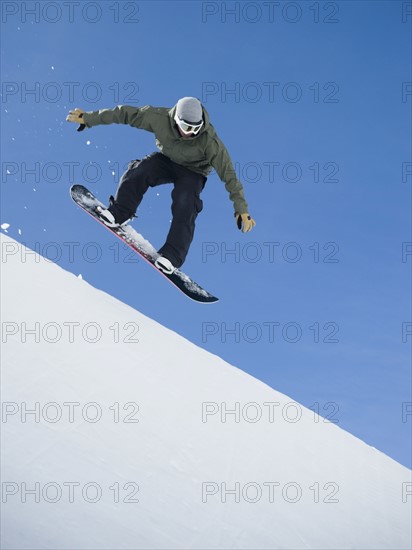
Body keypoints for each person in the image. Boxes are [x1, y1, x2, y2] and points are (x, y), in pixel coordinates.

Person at [66, 97, 256, 274]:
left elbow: (229, 174)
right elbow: (124, 113)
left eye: (195, 129)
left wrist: (242, 209)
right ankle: (119, 213)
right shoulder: (158, 118)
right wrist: (89, 118)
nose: (189, 133)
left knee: (186, 201)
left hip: (193, 172)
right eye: (185, 126)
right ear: (175, 119)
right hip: (167, 160)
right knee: (140, 170)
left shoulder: (210, 142)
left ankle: (172, 256)